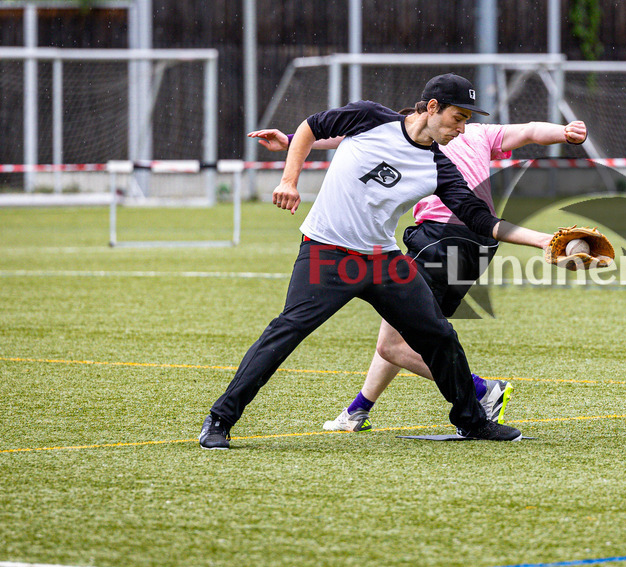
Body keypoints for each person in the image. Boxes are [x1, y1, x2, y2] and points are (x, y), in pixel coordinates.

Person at [199, 73, 561, 448]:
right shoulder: (370, 117)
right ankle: (220, 420)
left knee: (439, 336)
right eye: (458, 117)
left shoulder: (438, 166)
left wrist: (543, 240)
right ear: (432, 107)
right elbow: (311, 127)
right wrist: (289, 180)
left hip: (381, 261)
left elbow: (479, 218)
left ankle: (472, 421)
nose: (462, 128)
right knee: (286, 332)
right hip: (327, 251)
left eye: (467, 120)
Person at [248, 113, 588, 433]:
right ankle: (358, 411)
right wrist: (564, 132)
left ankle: (481, 390)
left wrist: (290, 140)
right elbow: (529, 131)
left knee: (394, 344)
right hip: (479, 243)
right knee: (409, 329)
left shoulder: (423, 135)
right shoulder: (480, 132)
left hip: (442, 236)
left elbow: (344, 136)